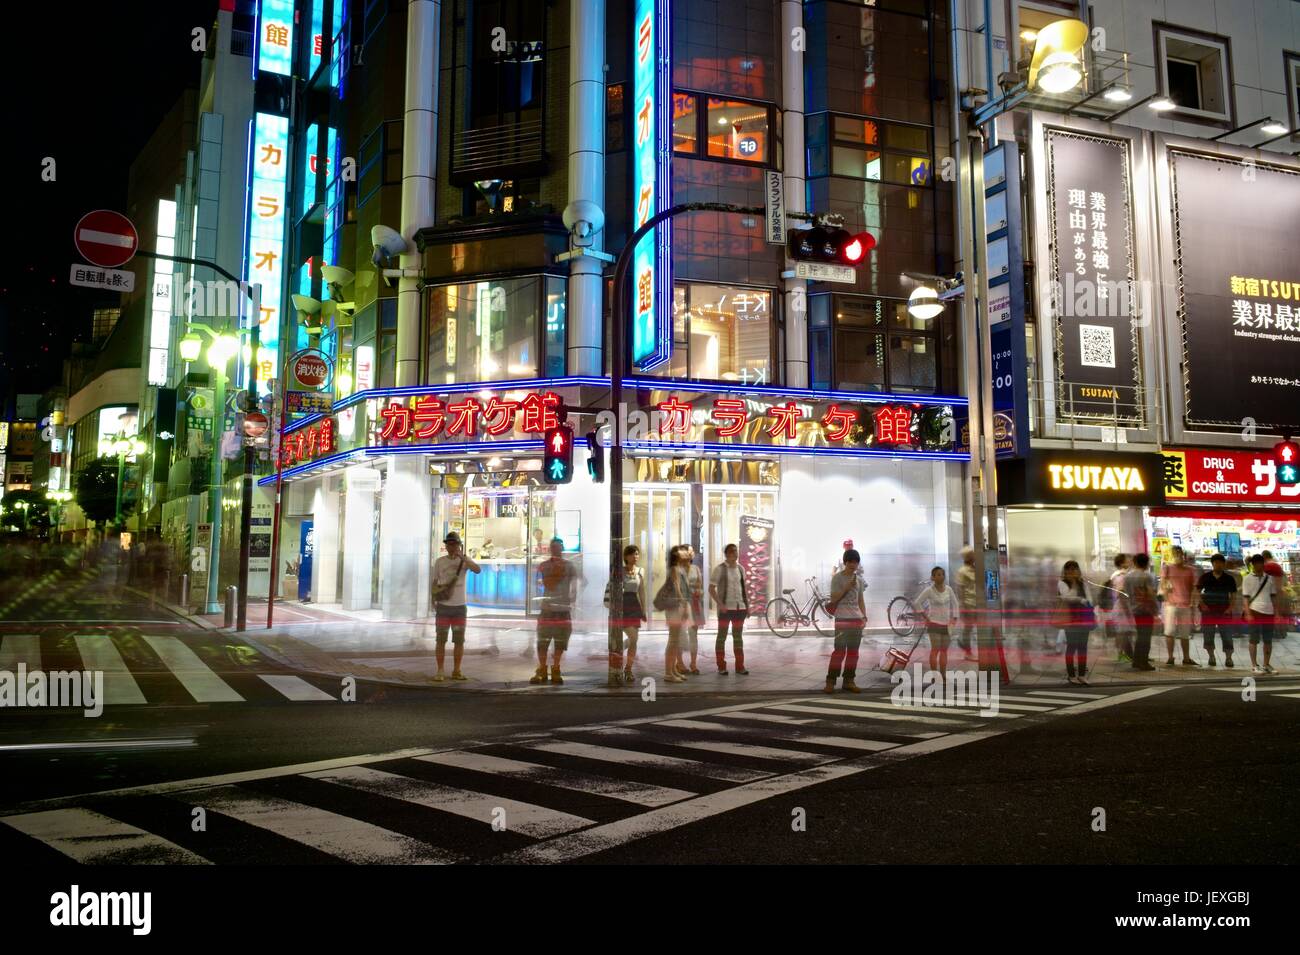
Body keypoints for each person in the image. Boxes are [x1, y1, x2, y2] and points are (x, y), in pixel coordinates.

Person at [431, 531, 481, 682]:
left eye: (454, 544)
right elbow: (435, 582)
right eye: (449, 544)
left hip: (460, 607)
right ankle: (440, 670)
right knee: (441, 640)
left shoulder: (464, 561)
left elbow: (478, 570)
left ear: (459, 545)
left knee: (459, 641)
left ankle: (457, 670)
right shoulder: (439, 562)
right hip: (443, 606)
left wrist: (463, 558)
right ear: (445, 546)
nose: (451, 547)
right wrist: (432, 600)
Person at [531, 538, 578, 685]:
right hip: (548, 609)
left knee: (560, 641)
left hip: (562, 609)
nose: (556, 549)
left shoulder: (569, 566)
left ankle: (556, 668)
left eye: (558, 547)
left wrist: (573, 596)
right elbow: (537, 583)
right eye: (553, 547)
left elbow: (576, 583)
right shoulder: (544, 566)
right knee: (543, 641)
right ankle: (543, 668)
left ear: (562, 548)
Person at [824, 548, 867, 694]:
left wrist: (864, 616)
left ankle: (849, 681)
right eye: (850, 562)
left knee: (853, 653)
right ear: (845, 562)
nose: (853, 565)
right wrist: (846, 588)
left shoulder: (859, 580)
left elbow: (860, 599)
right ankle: (830, 681)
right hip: (842, 619)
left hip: (856, 619)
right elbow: (834, 598)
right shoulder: (837, 578)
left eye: (856, 562)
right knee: (839, 652)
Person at [605, 545, 647, 684]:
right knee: (633, 638)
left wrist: (644, 610)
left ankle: (628, 669)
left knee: (635, 640)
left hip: (634, 605)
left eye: (637, 554)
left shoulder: (640, 571)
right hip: (622, 606)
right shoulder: (619, 571)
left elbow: (641, 591)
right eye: (632, 554)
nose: (635, 557)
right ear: (626, 556)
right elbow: (611, 587)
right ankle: (619, 654)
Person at [709, 543, 750, 675]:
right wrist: (720, 604)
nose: (736, 554)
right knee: (722, 637)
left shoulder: (741, 569)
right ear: (727, 554)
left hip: (740, 609)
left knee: (738, 637)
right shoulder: (719, 569)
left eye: (736, 551)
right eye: (732, 551)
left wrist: (747, 606)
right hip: (725, 610)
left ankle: (740, 666)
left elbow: (744, 589)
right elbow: (711, 588)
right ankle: (721, 666)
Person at [915, 565, 960, 679]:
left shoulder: (949, 589)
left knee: (944, 651)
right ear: (933, 577)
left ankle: (943, 675)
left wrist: (954, 619)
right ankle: (935, 675)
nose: (941, 576)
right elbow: (917, 603)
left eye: (942, 574)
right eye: (938, 574)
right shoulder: (929, 590)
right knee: (935, 650)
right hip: (933, 623)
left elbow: (955, 604)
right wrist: (925, 618)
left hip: (946, 625)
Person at [1197, 553, 1237, 668]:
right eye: (1215, 563)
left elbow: (1234, 595)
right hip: (1208, 611)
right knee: (1208, 635)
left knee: (1227, 635)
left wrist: (1230, 608)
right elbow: (1197, 592)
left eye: (1220, 563)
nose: (1218, 565)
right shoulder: (1205, 577)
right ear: (1212, 564)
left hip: (1224, 611)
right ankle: (1211, 656)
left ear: (1223, 564)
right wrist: (1202, 604)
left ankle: (1229, 658)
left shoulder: (1229, 579)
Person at [1160, 545, 1198, 667]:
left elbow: (1194, 588)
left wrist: (1192, 603)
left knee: (1185, 633)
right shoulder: (1167, 568)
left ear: (1183, 555)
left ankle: (1186, 657)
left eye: (1180, 553)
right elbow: (1163, 585)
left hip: (1185, 605)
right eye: (1175, 553)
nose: (1178, 556)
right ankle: (1170, 657)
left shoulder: (1190, 570)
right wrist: (1167, 599)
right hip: (1171, 605)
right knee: (1169, 631)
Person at [1057, 560, 1095, 685]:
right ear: (1065, 571)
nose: (1072, 571)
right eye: (1070, 569)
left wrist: (1087, 604)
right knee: (1072, 647)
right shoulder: (1062, 583)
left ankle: (1082, 675)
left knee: (1083, 647)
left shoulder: (1083, 583)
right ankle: (1071, 675)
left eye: (1075, 569)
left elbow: (1089, 599)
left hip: (1084, 618)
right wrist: (1074, 585)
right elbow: (1067, 597)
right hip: (1070, 619)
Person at [659, 546, 693, 683]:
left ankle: (672, 671)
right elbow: (678, 588)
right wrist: (683, 604)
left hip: (677, 607)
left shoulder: (680, 568)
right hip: (675, 608)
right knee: (673, 640)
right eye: (682, 552)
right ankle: (668, 673)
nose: (686, 553)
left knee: (675, 640)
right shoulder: (674, 569)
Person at [1243, 554, 1279, 674]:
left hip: (1269, 611)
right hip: (1255, 611)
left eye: (1260, 563)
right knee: (1254, 639)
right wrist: (1248, 613)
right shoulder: (1247, 578)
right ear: (1252, 564)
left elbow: (1273, 597)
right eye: (1256, 563)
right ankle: (1254, 665)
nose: (1259, 565)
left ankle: (1266, 664)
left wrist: (1277, 613)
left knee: (1268, 639)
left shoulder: (1269, 578)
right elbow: (1245, 598)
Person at [1124, 553, 1159, 671]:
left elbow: (1125, 593)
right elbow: (1150, 593)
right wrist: (1155, 608)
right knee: (1145, 637)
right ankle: (1143, 662)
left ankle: (1136, 661)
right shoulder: (1146, 576)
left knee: (1139, 636)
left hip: (1133, 609)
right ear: (1146, 563)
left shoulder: (1128, 576)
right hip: (1145, 609)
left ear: (1135, 562)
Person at [678, 544, 705, 676]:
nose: (692, 553)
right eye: (690, 551)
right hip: (681, 604)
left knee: (694, 634)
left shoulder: (696, 568)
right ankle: (680, 663)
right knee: (680, 634)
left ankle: (693, 664)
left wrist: (700, 592)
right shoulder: (676, 569)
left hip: (694, 603)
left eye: (693, 551)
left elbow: (700, 585)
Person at [1103, 553, 1134, 664]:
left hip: (1121, 607)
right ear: (1121, 563)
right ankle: (1122, 654)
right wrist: (1127, 611)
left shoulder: (1118, 575)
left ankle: (1127, 654)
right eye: (1127, 559)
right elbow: (1121, 594)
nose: (1130, 560)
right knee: (1123, 633)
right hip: (1122, 607)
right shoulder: (1121, 576)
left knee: (1124, 633)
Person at [954, 546, 979, 662]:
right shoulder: (962, 571)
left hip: (977, 603)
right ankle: (968, 652)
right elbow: (960, 590)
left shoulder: (975, 569)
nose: (974, 556)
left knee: (971, 628)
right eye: (972, 554)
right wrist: (962, 607)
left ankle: (964, 643)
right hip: (969, 604)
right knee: (968, 629)